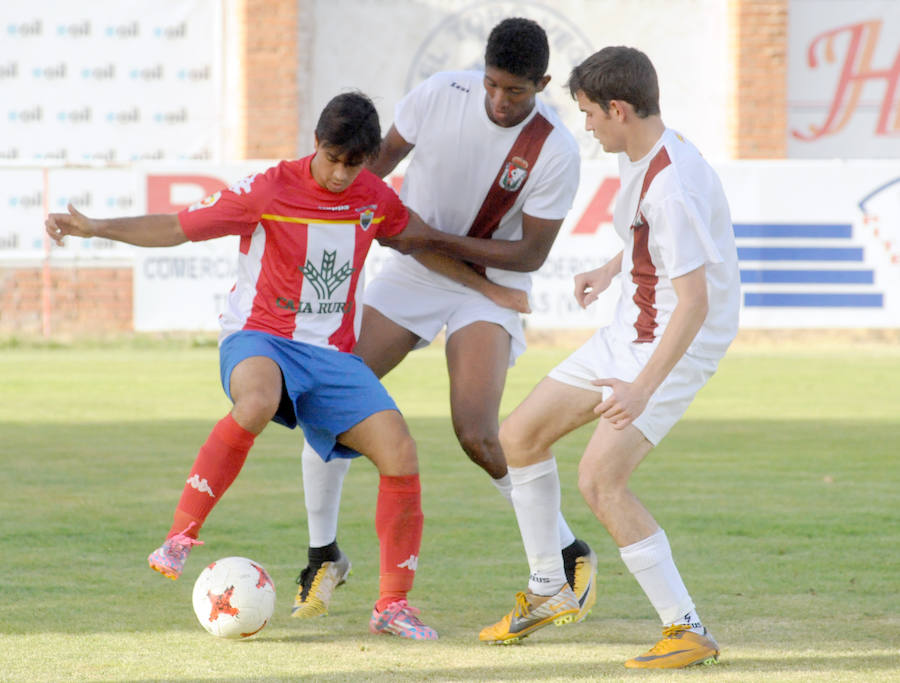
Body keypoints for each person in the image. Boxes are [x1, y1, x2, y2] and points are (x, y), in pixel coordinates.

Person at [44, 92, 524, 641]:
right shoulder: (268, 189)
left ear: (369, 159)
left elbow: (416, 243)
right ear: (316, 142)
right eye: (333, 159)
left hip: (331, 358)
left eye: (353, 164)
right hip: (260, 338)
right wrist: (96, 227)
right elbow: (177, 226)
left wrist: (489, 290)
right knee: (257, 400)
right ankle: (180, 535)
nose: (340, 174)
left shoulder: (374, 197)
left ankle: (392, 605)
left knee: (401, 452)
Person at [292, 17, 598, 625]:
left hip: (491, 289)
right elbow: (374, 168)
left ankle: (567, 551)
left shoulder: (555, 149)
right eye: (492, 84)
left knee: (477, 433)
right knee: (328, 394)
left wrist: (429, 237)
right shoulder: (439, 94)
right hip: (412, 274)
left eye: (515, 91)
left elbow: (530, 254)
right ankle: (324, 555)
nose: (499, 100)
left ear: (542, 85)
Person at [478, 46, 740, 669]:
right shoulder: (649, 153)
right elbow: (655, 239)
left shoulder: (672, 185)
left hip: (673, 343)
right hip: (632, 326)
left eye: (591, 114)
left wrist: (642, 387)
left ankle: (686, 628)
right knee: (519, 437)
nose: (588, 126)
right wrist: (612, 266)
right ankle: (551, 586)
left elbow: (695, 302)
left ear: (618, 109)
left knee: (600, 480)